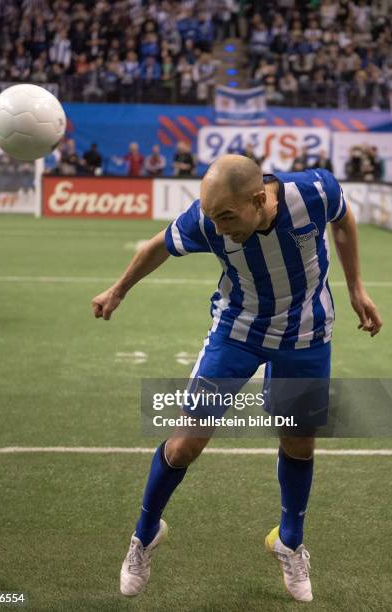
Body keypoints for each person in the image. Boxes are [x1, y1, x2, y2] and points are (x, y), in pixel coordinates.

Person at [91, 155, 382, 602]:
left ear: (260, 197)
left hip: (306, 335)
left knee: (299, 442)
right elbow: (156, 247)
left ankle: (289, 540)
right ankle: (145, 535)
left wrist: (356, 286)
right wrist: (117, 290)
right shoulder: (209, 222)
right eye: (213, 217)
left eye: (228, 216)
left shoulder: (315, 191)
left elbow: (343, 220)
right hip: (238, 331)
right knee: (185, 443)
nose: (220, 227)